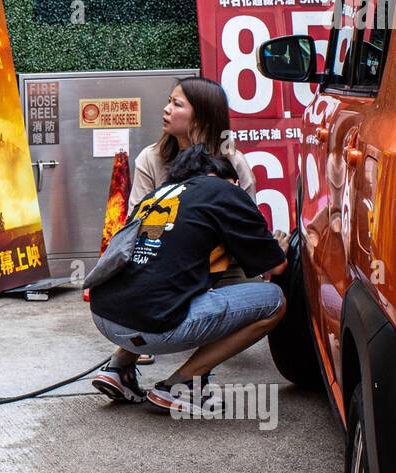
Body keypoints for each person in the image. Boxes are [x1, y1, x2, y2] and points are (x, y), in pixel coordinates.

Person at [89, 145, 288, 415]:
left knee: (159, 279)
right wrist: (279, 249)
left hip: (103, 316)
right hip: (156, 328)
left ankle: (118, 367)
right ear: (231, 180)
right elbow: (275, 267)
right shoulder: (225, 191)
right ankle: (183, 384)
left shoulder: (159, 195)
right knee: (274, 302)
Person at [128, 76, 256, 211]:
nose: (166, 109)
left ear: (201, 118)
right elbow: (136, 219)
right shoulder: (151, 157)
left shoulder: (234, 160)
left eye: (177, 104)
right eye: (169, 101)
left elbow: (250, 222)